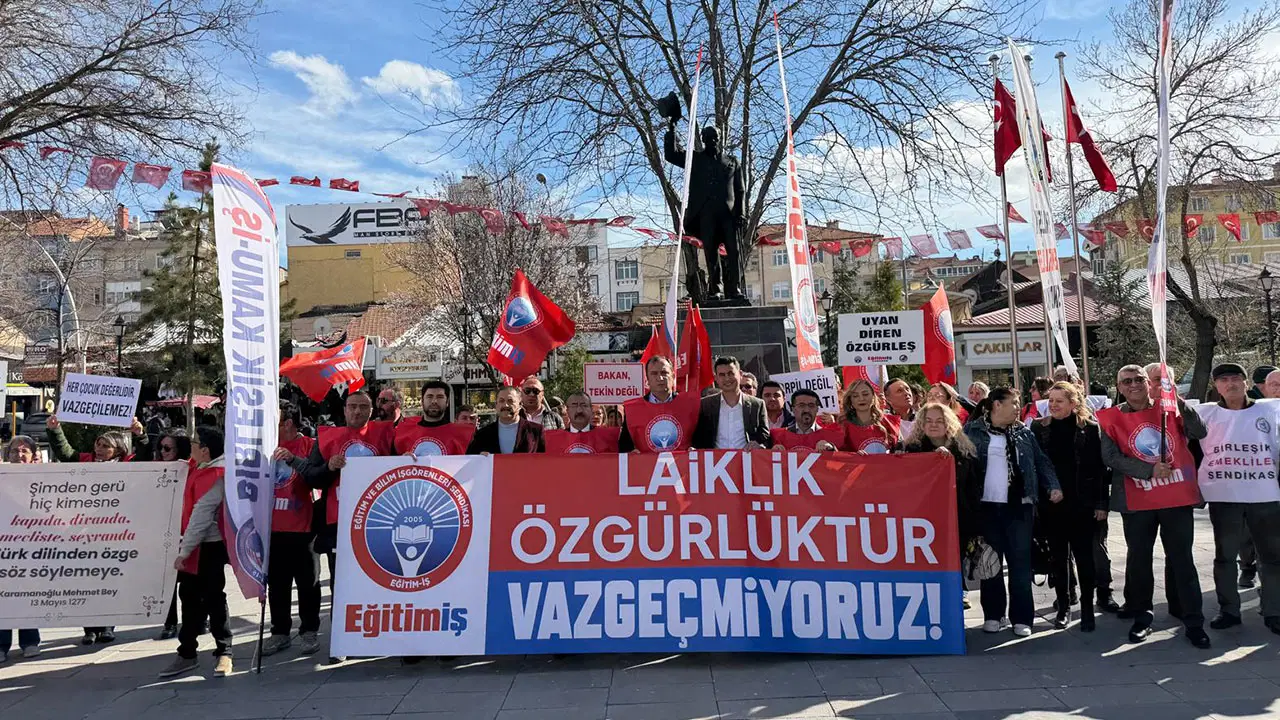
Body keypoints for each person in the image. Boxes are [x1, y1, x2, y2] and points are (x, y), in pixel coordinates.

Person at [1097, 364, 1210, 648]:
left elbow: (1199, 430)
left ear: (1149, 383)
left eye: (1139, 380)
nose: (1133, 385)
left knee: (1182, 558)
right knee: (1139, 559)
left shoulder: (1169, 408)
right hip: (1137, 499)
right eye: (1126, 381)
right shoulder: (1112, 418)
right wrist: (1147, 470)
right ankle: (1142, 615)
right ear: (1119, 387)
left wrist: (1177, 399)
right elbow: (1110, 457)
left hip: (1175, 497)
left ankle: (1194, 620)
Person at [290, 390, 394, 663]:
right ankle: (342, 639)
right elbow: (311, 477)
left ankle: (379, 634)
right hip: (339, 523)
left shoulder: (385, 435)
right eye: (352, 407)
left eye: (363, 407)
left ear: (371, 410)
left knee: (380, 579)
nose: (357, 412)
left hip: (379, 523)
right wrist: (329, 467)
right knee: (341, 582)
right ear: (344, 410)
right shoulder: (327, 439)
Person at [964, 387, 1063, 637]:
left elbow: (1041, 461)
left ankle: (1022, 618)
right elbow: (960, 461)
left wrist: (1052, 486)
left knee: (1020, 564)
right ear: (997, 405)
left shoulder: (1023, 432)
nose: (1019, 408)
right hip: (986, 508)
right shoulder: (972, 431)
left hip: (1019, 506)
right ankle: (994, 615)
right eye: (1014, 403)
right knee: (990, 563)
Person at [1195, 363, 1280, 634]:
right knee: (1225, 557)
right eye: (1223, 380)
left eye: (1235, 379)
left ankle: (1273, 610)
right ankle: (1229, 610)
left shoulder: (1269, 410)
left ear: (1246, 383)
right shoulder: (1206, 415)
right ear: (1216, 386)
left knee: (1271, 557)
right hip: (1225, 496)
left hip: (1264, 495)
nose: (1230, 384)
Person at [46, 414, 143, 645]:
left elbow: (149, 456)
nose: (99, 449)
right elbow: (65, 452)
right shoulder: (85, 461)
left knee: (108, 580)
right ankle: (89, 628)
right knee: (84, 579)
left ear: (117, 450)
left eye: (105, 446)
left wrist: (140, 434)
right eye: (97, 445)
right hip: (84, 532)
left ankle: (107, 626)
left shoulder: (129, 466)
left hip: (114, 533)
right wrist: (55, 429)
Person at [1032, 382, 1108, 632]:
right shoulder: (1038, 427)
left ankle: (1087, 609)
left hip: (1082, 505)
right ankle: (1063, 607)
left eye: (1059, 401)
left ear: (1073, 404)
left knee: (1085, 558)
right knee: (1058, 559)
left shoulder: (1090, 429)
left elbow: (1099, 470)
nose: (1053, 405)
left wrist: (1101, 504)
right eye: (1050, 400)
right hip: (1051, 504)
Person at [159, 427, 233, 678]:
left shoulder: (217, 475)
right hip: (192, 544)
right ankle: (187, 653)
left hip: (208, 546)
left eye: (194, 442)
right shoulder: (198, 466)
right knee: (188, 597)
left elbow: (200, 517)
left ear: (206, 450)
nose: (190, 446)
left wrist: (184, 551)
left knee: (214, 597)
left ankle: (224, 652)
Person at [904, 403, 982, 608]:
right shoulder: (912, 449)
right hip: (924, 520)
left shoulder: (963, 450)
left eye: (939, 421)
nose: (933, 425)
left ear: (949, 423)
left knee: (955, 560)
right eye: (928, 421)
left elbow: (972, 488)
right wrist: (931, 458)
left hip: (958, 517)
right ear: (921, 423)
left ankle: (959, 593)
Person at [261, 404, 321, 657]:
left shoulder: (310, 445)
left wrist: (294, 460)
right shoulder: (266, 447)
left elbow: (317, 477)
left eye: (276, 420)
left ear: (288, 423)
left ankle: (309, 631)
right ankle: (280, 632)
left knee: (308, 583)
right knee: (277, 584)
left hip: (304, 526)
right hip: (272, 527)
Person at [1, 436, 42, 662]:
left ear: (33, 455)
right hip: (5, 547)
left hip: (32, 546)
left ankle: (30, 641)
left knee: (28, 593)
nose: (19, 455)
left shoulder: (46, 477)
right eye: (15, 451)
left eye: (24, 451)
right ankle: (1, 644)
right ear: (7, 456)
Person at [619, 356, 701, 453]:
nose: (660, 378)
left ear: (673, 376)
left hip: (683, 466)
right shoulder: (633, 409)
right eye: (654, 374)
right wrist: (631, 453)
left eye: (664, 373)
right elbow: (624, 446)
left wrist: (697, 450)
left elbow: (702, 439)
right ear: (647, 379)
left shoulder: (691, 404)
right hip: (647, 466)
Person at [157, 430, 193, 640]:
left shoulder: (190, 469)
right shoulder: (156, 468)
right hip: (164, 532)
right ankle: (169, 623)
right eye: (161, 447)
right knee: (167, 581)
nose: (163, 452)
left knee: (191, 584)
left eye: (167, 448)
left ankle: (196, 620)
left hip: (188, 530)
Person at [693, 357, 771, 450]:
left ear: (740, 374)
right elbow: (697, 438)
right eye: (722, 375)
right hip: (715, 463)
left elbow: (766, 438)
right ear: (716, 378)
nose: (727, 379)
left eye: (731, 373)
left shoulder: (757, 405)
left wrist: (760, 446)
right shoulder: (705, 405)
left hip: (747, 461)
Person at [394, 381, 475, 456]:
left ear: (447, 402)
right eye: (429, 396)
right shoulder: (403, 434)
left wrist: (483, 458)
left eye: (440, 397)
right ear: (422, 401)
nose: (434, 401)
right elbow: (390, 466)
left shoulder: (461, 436)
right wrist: (401, 461)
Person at [468, 386, 546, 454]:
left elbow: (545, 461)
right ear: (496, 405)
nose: (505, 405)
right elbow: (470, 461)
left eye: (510, 401)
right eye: (501, 401)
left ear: (520, 404)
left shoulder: (536, 431)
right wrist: (479, 457)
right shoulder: (482, 434)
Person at [544, 392, 622, 453]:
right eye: (574, 406)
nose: (579, 410)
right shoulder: (555, 439)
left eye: (584, 406)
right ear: (567, 411)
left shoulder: (608, 437)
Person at [841, 379, 902, 454]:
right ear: (850, 400)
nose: (861, 399)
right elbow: (837, 456)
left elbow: (900, 445)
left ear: (873, 397)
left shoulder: (890, 422)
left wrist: (900, 451)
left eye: (865, 394)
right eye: (855, 396)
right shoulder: (843, 426)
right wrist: (854, 456)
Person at [769, 389, 843, 450]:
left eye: (811, 405)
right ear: (793, 409)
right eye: (801, 405)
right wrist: (772, 455)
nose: (807, 410)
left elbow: (844, 460)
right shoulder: (779, 437)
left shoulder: (830, 435)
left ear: (817, 409)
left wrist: (832, 449)